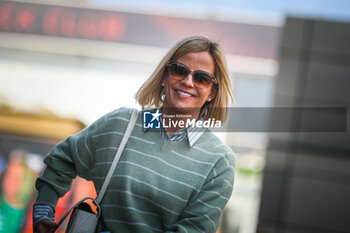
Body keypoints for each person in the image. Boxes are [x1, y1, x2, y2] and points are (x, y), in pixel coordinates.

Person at [33, 36, 235, 233]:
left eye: (201, 77)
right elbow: (62, 159)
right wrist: (43, 213)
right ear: (165, 76)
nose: (188, 81)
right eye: (179, 70)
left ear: (212, 92)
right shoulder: (120, 125)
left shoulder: (219, 162)